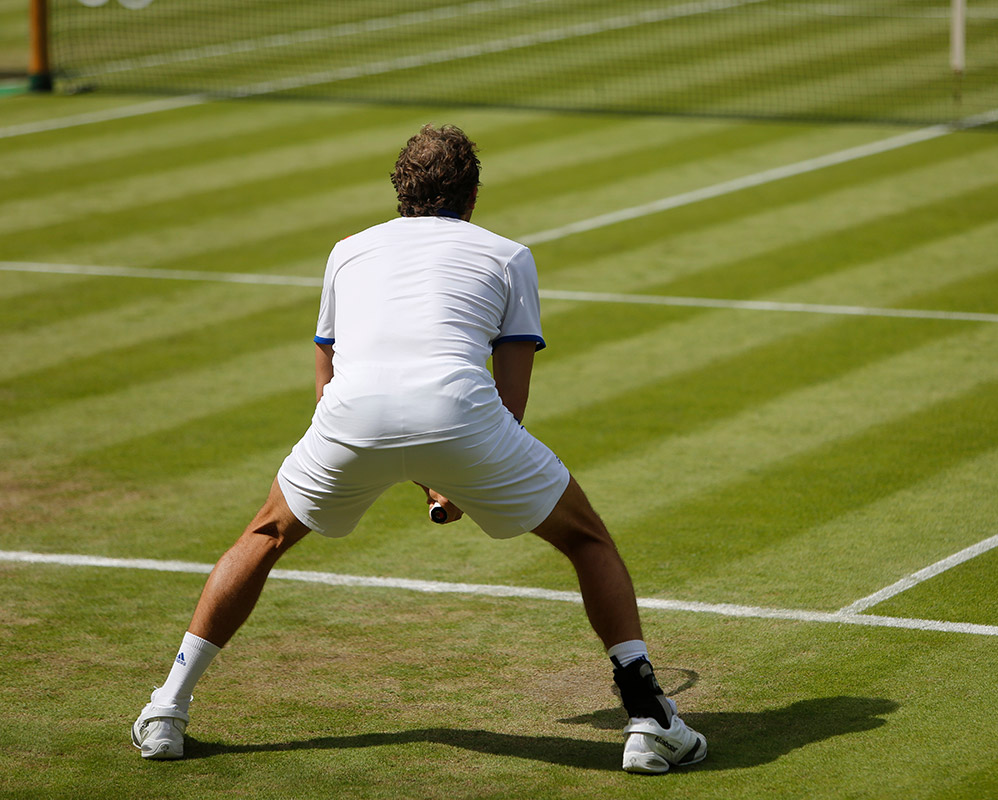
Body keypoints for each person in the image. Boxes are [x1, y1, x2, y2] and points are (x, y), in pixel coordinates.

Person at [131, 124, 706, 774]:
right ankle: (648, 721)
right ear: (474, 193)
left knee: (265, 533)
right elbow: (506, 407)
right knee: (587, 540)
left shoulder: (345, 252)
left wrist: (420, 467)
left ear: (401, 190)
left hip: (350, 418)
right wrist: (451, 475)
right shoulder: (509, 255)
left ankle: (166, 711)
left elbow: (333, 391)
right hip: (463, 419)